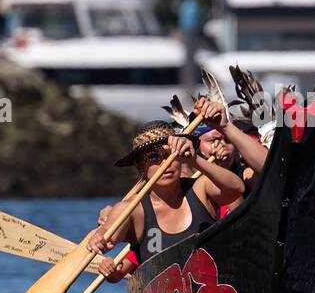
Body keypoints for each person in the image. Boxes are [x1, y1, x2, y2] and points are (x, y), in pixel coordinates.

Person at [89, 119, 245, 283]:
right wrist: (99, 239)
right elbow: (107, 236)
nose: (166, 163)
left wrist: (194, 160)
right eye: (153, 157)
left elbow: (237, 189)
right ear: (140, 167)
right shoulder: (132, 209)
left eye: (169, 155)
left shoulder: (201, 188)